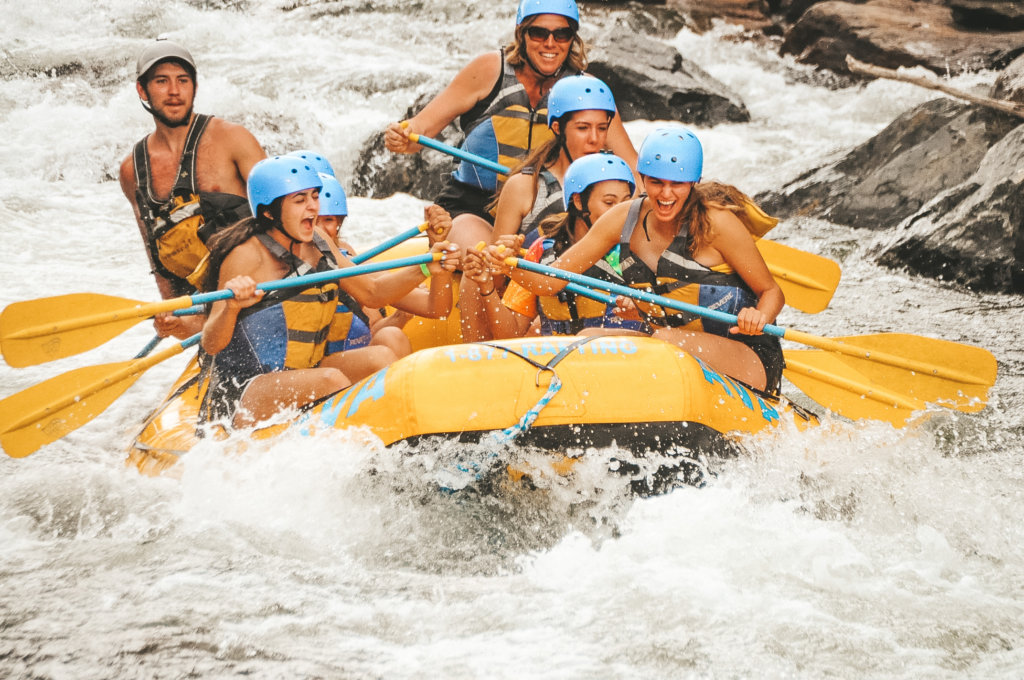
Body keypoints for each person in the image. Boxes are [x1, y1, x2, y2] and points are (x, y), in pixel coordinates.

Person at [504, 128, 787, 394]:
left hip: (745, 355)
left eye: (677, 184)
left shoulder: (718, 224)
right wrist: (509, 264)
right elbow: (549, 281)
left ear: (693, 182)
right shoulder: (623, 219)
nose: (665, 194)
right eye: (656, 183)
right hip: (669, 345)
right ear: (642, 178)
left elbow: (772, 292)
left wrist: (760, 316)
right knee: (590, 336)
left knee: (665, 340)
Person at [199, 156, 459, 428]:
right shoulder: (246, 255)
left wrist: (427, 267)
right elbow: (211, 343)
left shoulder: (318, 241)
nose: (313, 207)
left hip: (307, 369)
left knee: (380, 358)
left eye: (314, 196)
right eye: (300, 200)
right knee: (331, 380)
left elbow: (371, 292)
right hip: (245, 389)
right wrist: (231, 307)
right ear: (269, 212)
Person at [383, 0, 636, 258]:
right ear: (521, 33)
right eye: (539, 33)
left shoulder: (589, 92)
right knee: (484, 257)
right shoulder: (489, 70)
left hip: (546, 211)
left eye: (562, 34)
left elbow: (632, 169)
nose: (550, 43)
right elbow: (418, 133)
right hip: (473, 206)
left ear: (573, 38)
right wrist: (402, 135)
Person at [458, 73, 631, 340]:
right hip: (539, 294)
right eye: (583, 128)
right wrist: (508, 256)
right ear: (559, 128)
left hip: (596, 301)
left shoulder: (617, 182)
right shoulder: (524, 186)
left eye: (602, 128)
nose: (595, 139)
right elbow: (498, 274)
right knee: (482, 285)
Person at [118, 38, 266, 339]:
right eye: (162, 81)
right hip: (215, 311)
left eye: (183, 81)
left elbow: (288, 207)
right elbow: (154, 250)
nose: (174, 91)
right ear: (142, 90)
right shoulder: (132, 170)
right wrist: (173, 311)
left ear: (194, 87)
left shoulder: (232, 139)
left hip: (266, 290)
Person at [465, 152, 641, 338]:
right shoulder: (543, 251)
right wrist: (486, 285)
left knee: (587, 334)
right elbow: (510, 334)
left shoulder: (640, 250)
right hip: (563, 361)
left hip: (626, 359)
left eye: (626, 202)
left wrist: (640, 311)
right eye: (609, 202)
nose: (621, 212)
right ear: (579, 202)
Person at [311, 168, 452, 360]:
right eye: (312, 221)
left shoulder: (350, 262)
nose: (318, 231)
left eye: (328, 220)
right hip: (312, 371)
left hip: (346, 363)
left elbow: (437, 308)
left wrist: (436, 255)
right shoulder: (280, 259)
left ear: (340, 223)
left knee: (391, 336)